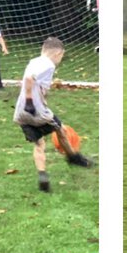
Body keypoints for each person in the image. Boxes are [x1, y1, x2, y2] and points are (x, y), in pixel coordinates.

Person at [13, 35, 91, 193]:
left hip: (21, 113)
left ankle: (42, 175)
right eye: (62, 56)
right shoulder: (48, 65)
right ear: (58, 54)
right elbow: (29, 78)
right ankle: (73, 157)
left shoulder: (34, 61)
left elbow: (32, 81)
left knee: (39, 144)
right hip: (34, 110)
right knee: (61, 130)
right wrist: (30, 102)